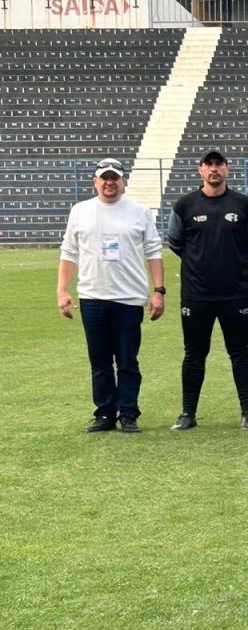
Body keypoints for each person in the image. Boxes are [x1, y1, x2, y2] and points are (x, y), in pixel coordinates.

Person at [57, 157, 165, 433]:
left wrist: (158, 291)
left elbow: (153, 252)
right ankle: (104, 412)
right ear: (95, 181)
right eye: (104, 177)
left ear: (123, 182)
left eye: (114, 177)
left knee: (128, 360)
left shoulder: (139, 212)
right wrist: (62, 290)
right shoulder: (80, 211)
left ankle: (128, 413)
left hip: (129, 298)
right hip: (92, 296)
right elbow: (69, 253)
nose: (109, 182)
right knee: (100, 360)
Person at [166, 149, 248, 430]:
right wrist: (200, 263)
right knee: (194, 354)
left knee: (240, 352)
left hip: (236, 292)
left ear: (227, 170)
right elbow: (176, 242)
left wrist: (232, 261)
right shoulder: (184, 205)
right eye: (209, 164)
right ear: (200, 170)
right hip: (196, 294)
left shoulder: (243, 204)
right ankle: (188, 413)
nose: (214, 169)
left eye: (219, 164)